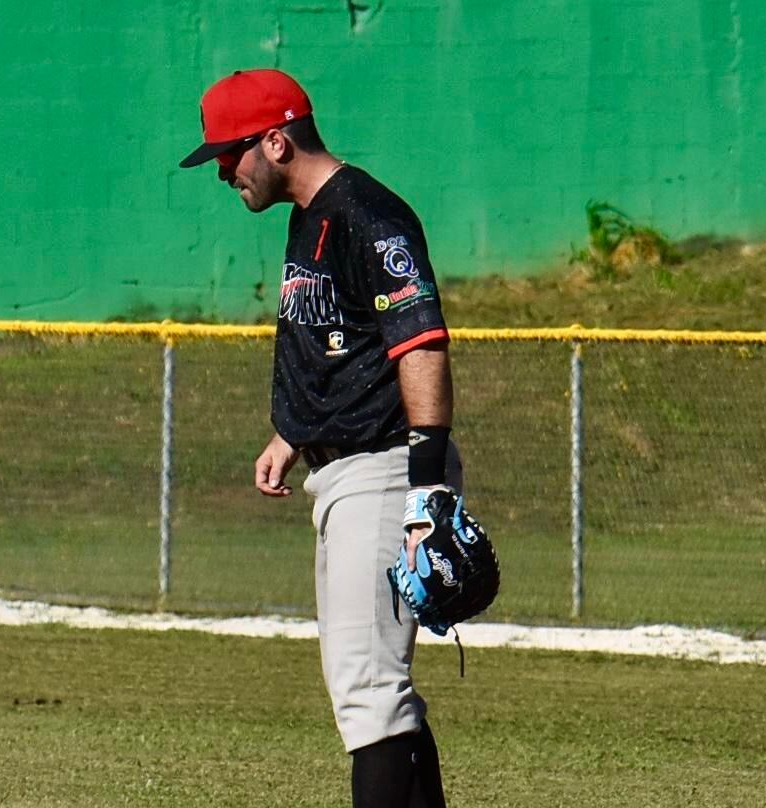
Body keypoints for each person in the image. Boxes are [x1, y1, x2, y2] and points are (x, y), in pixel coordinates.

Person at [179, 69, 461, 808]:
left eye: (226, 152)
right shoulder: (309, 215)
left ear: (274, 140)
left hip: (386, 467)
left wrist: (425, 487)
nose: (218, 170)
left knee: (369, 693)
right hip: (343, 470)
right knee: (375, 690)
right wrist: (289, 433)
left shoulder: (369, 215)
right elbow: (343, 341)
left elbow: (420, 343)